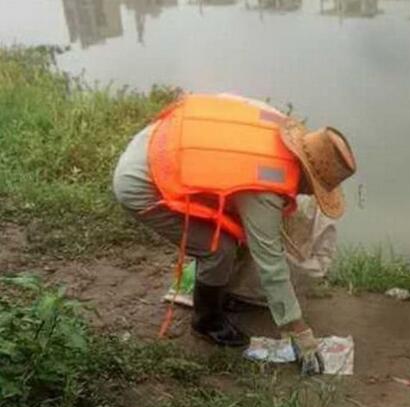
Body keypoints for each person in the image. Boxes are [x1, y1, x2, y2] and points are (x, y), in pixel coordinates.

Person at [112, 93, 357, 375]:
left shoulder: (280, 129)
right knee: (218, 248)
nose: (309, 194)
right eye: (313, 188)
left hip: (158, 139)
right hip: (142, 179)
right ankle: (206, 320)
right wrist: (299, 332)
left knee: (235, 230)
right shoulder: (266, 185)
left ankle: (220, 289)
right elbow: (271, 264)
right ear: (306, 175)